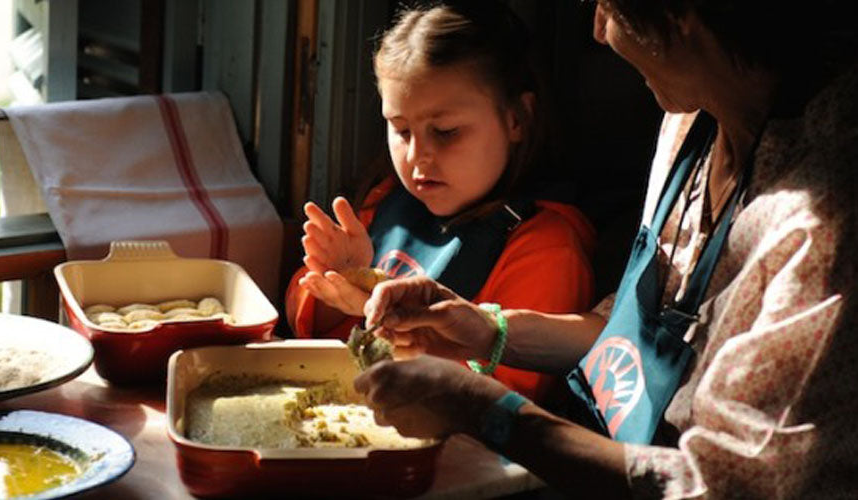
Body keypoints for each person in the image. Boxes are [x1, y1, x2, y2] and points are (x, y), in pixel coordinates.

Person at [353, 0, 858, 497]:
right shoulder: (688, 124)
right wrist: (488, 330)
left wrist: (487, 411)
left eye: (609, 8)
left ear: (681, 14)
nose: (597, 30)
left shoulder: (826, 219)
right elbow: (635, 335)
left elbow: (720, 488)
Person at [285, 1, 596, 403]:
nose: (418, 156)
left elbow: (507, 401)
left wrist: (402, 334)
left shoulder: (548, 249)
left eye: (446, 132)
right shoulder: (388, 201)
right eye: (400, 130)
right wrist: (338, 286)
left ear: (517, 119)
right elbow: (298, 314)